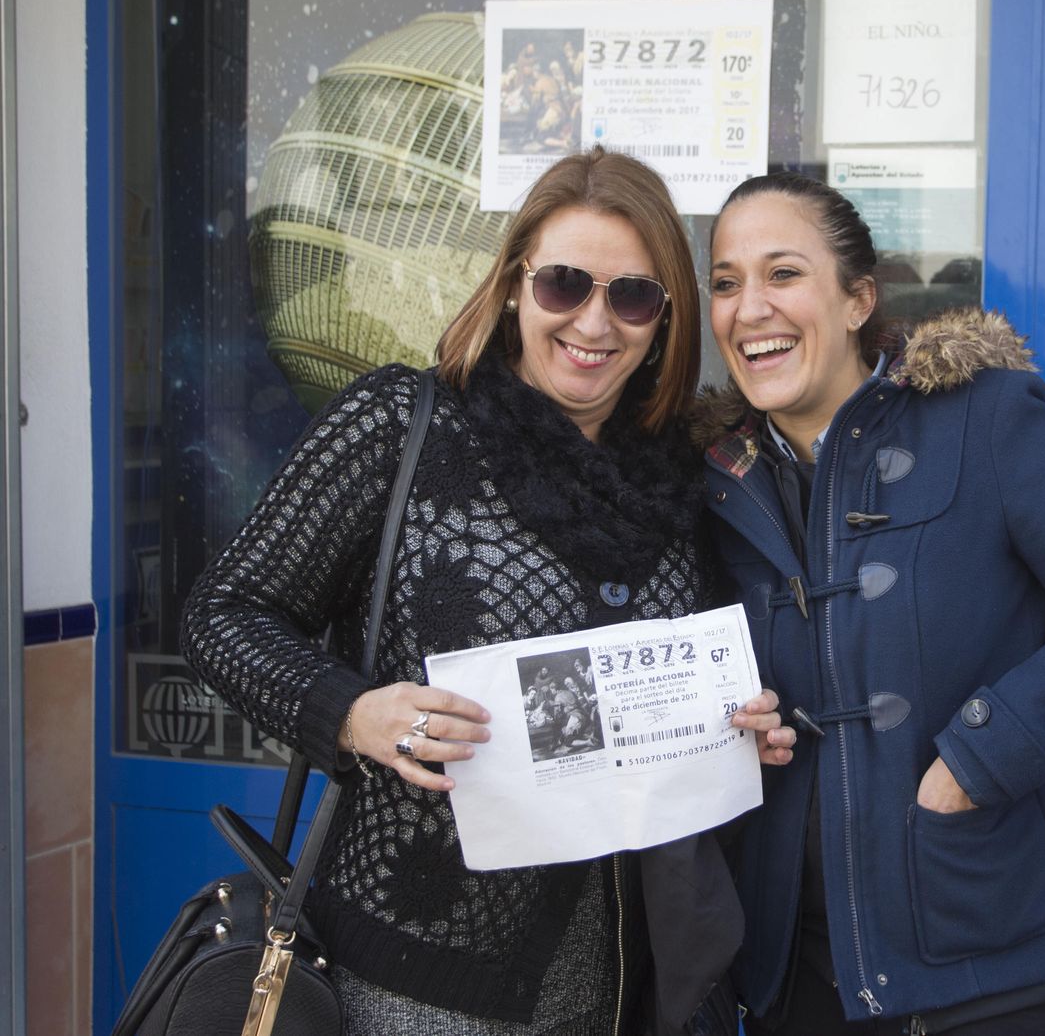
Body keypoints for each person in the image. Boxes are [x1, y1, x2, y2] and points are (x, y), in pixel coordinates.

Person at [182, 148, 781, 1035]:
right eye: (565, 284)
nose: (594, 321)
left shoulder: (686, 480)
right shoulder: (403, 425)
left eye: (632, 295)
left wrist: (738, 730)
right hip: (419, 980)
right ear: (512, 286)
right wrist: (355, 715)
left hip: (633, 981)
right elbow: (222, 616)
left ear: (664, 318)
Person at [693, 173, 1045, 1033]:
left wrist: (982, 756)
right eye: (727, 282)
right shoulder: (717, 479)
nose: (751, 309)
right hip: (795, 964)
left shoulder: (985, 420)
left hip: (983, 942)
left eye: (783, 274)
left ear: (858, 299)